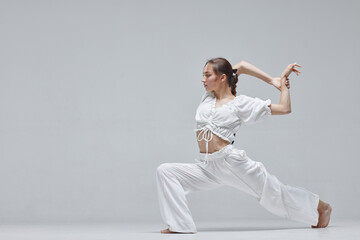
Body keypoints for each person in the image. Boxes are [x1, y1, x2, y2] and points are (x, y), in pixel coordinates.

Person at [156, 57, 332, 234]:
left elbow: (285, 108)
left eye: (207, 75)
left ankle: (322, 208)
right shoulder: (208, 98)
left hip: (232, 164)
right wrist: (270, 79)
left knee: (274, 195)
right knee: (166, 171)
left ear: (222, 77)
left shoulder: (241, 103)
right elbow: (241, 66)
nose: (203, 79)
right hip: (208, 166)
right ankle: (181, 226)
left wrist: (282, 84)